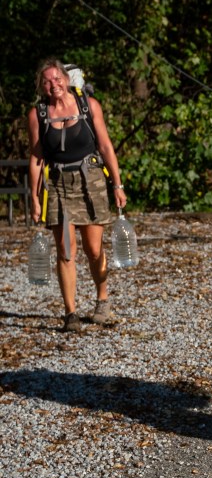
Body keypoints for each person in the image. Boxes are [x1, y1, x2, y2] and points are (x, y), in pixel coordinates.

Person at [27, 58, 128, 333]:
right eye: (47, 81)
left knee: (94, 249)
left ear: (66, 79)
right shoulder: (38, 114)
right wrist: (35, 199)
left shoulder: (89, 106)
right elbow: (37, 158)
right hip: (58, 184)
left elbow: (106, 146)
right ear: (41, 85)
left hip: (91, 180)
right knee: (65, 251)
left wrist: (117, 185)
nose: (54, 84)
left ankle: (102, 301)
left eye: (57, 78)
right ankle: (70, 313)